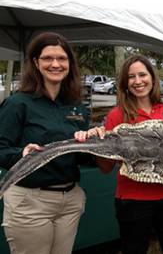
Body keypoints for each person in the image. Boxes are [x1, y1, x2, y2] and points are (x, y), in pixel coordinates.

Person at [0, 32, 102, 254]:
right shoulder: (18, 103)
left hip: (71, 200)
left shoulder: (77, 106)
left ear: (69, 64)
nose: (55, 64)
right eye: (48, 58)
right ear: (36, 63)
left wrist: (93, 142)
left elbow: (82, 156)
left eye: (62, 58)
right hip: (30, 201)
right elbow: (1, 148)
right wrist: (22, 154)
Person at [80, 55, 163, 254]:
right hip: (134, 200)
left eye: (142, 75)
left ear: (152, 79)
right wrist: (96, 145)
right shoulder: (116, 115)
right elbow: (106, 168)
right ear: (125, 83)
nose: (138, 81)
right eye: (131, 77)